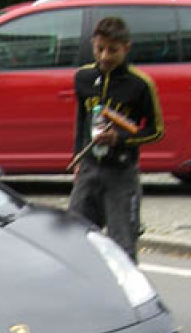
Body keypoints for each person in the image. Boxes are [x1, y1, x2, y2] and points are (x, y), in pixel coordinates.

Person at [68, 16, 164, 261]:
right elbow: (82, 120)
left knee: (123, 244)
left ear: (126, 48)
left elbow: (156, 130)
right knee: (75, 237)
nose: (104, 57)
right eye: (99, 49)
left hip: (121, 173)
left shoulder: (140, 84)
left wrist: (120, 139)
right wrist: (77, 158)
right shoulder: (83, 77)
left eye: (113, 50)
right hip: (89, 169)